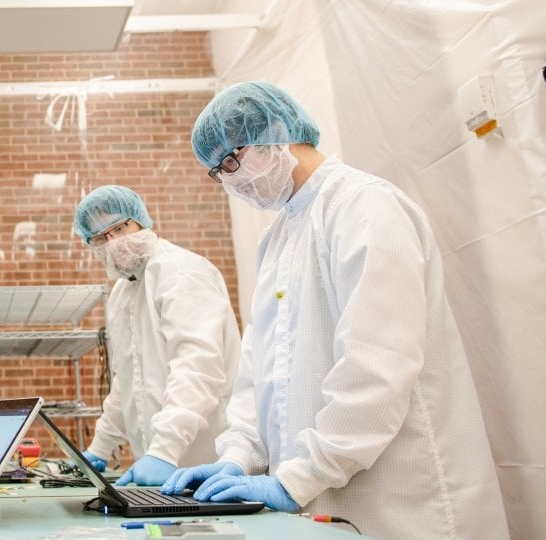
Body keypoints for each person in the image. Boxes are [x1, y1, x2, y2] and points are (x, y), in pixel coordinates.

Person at [160, 81, 509, 539]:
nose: (229, 179)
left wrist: (298, 477)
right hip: (316, 492)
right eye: (217, 172)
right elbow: (258, 373)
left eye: (231, 159)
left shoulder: (364, 206)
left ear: (277, 130)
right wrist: (236, 455)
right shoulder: (278, 238)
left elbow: (377, 368)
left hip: (402, 497)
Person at [72, 185, 242, 486]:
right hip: (160, 472)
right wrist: (100, 447)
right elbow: (126, 382)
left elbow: (197, 368)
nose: (113, 244)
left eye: (120, 228)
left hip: (209, 466)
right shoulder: (123, 293)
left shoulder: (181, 273)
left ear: (140, 220)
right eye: (101, 238)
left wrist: (164, 450)